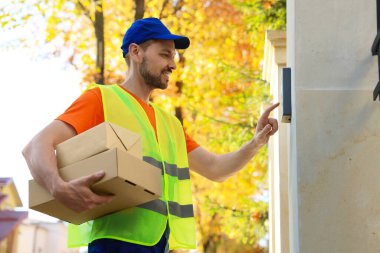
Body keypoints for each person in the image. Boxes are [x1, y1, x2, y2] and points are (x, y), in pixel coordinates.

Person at [22, 17, 279, 253]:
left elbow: (216, 169)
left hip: (160, 246)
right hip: (115, 245)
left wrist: (256, 142)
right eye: (165, 54)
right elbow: (36, 146)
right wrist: (58, 187)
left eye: (174, 57)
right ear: (136, 52)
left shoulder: (171, 125)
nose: (172, 64)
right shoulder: (101, 99)